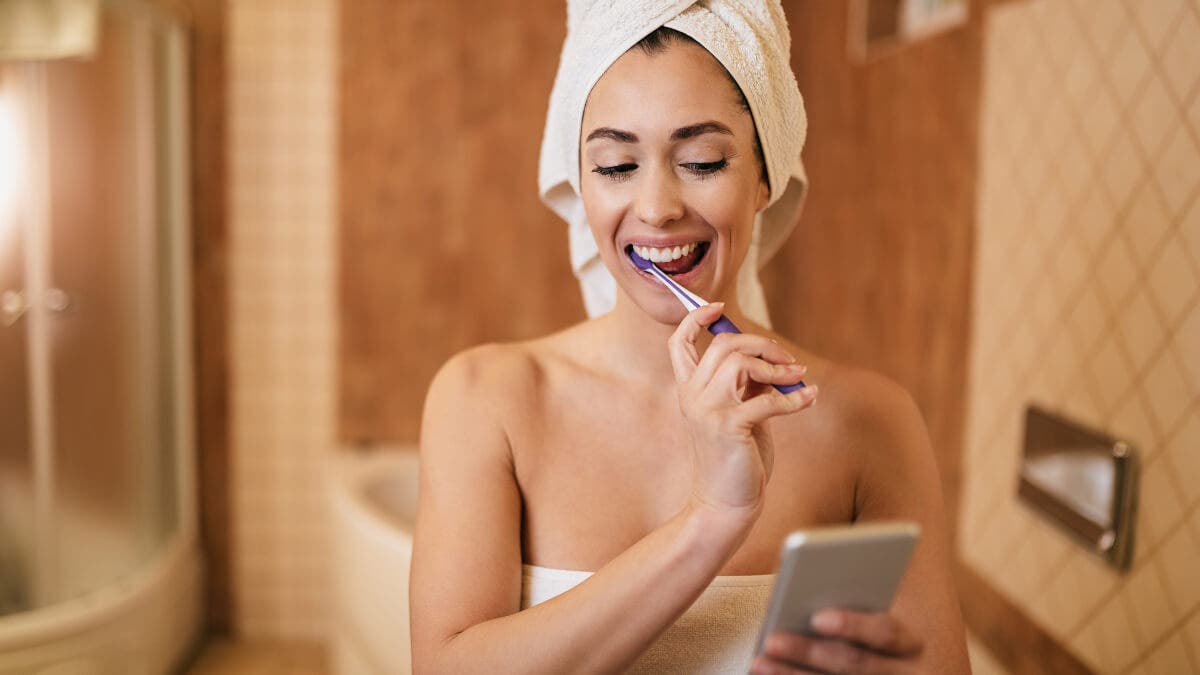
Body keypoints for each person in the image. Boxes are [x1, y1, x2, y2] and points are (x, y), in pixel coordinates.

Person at [410, 3, 971, 672]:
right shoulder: (486, 400)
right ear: (578, 182)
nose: (655, 207)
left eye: (702, 160)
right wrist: (711, 517)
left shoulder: (868, 424)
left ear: (766, 176)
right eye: (617, 166)